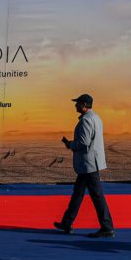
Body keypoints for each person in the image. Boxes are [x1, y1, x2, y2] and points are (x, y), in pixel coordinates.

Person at [53, 93, 115, 238]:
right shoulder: (96, 118)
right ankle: (67, 222)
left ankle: (107, 227)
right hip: (91, 163)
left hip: (88, 164)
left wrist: (70, 144)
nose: (75, 105)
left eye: (78, 103)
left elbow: (83, 143)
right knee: (78, 193)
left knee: (96, 196)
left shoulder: (85, 121)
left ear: (84, 105)